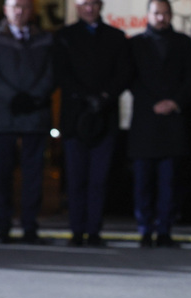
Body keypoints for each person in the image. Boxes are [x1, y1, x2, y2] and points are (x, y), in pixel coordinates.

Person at [53, 0, 131, 246]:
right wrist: (84, 97)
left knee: (99, 179)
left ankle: (94, 230)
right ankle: (77, 231)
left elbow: (124, 74)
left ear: (100, 6)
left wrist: (104, 97)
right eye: (84, 4)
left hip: (104, 120)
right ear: (77, 7)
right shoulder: (64, 37)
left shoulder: (116, 37)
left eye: (93, 4)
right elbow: (60, 73)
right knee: (76, 179)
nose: (89, 8)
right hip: (75, 119)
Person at [0, 0, 54, 245]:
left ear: (32, 10)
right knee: (2, 174)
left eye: (24, 6)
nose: (19, 11)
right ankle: (3, 226)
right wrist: (13, 97)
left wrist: (34, 97)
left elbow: (52, 72)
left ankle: (30, 226)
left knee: (33, 175)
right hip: (4, 116)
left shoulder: (45, 39)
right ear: (5, 10)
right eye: (14, 6)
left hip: (35, 114)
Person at [128, 0, 191, 248]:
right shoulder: (135, 44)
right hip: (145, 122)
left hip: (174, 124)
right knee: (143, 183)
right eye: (157, 13)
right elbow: (131, 79)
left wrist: (174, 102)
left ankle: (164, 230)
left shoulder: (183, 43)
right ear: (148, 15)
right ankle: (145, 230)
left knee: (169, 183)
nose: (161, 18)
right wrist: (152, 103)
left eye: (166, 14)